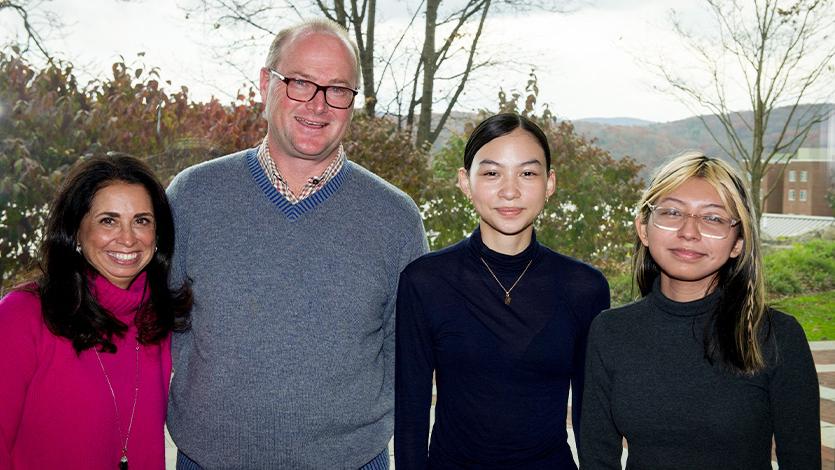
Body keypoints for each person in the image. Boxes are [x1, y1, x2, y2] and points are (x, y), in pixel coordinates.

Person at [165, 18, 428, 469]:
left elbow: (406, 353)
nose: (318, 105)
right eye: (301, 83)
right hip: (208, 460)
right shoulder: (192, 197)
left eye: (338, 90)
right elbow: (152, 320)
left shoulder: (395, 218)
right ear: (266, 83)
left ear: (353, 103)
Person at [394, 113, 610, 469]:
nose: (510, 190)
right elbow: (411, 415)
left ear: (550, 183)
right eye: (492, 173)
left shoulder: (584, 287)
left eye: (527, 173)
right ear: (465, 182)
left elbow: (591, 417)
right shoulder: (426, 281)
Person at [579, 152, 821, 469]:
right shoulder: (610, 331)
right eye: (672, 212)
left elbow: (801, 460)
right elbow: (598, 458)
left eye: (713, 218)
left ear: (738, 242)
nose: (689, 232)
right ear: (643, 228)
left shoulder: (776, 336)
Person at [0, 155, 191, 469]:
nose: (128, 238)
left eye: (141, 220)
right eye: (108, 220)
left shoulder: (158, 319)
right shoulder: (24, 315)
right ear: (76, 230)